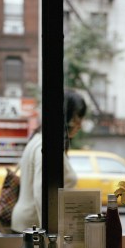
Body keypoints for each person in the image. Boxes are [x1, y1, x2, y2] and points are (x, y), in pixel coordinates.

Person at [11, 90, 87, 232]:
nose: (79, 124)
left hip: (28, 224)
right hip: (33, 227)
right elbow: (42, 193)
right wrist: (51, 235)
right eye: (77, 117)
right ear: (66, 115)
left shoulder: (41, 139)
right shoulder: (46, 145)